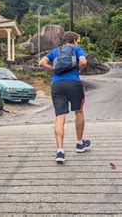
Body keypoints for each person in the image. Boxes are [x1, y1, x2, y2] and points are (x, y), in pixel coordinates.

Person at [39, 31, 91, 164]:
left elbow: (42, 63)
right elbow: (84, 61)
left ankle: (60, 152)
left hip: (57, 84)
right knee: (78, 111)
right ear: (74, 40)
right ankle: (79, 144)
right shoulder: (77, 49)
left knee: (60, 117)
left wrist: (54, 70)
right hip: (73, 83)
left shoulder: (55, 51)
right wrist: (78, 69)